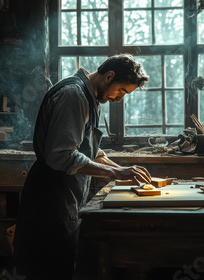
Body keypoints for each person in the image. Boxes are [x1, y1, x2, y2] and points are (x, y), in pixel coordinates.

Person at [13, 54, 152, 279]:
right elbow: (61, 155)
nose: (119, 99)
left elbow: (91, 152)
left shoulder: (91, 97)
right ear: (109, 76)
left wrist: (122, 171)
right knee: (47, 267)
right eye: (122, 91)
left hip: (66, 194)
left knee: (64, 263)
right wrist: (116, 172)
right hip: (50, 196)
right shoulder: (74, 95)